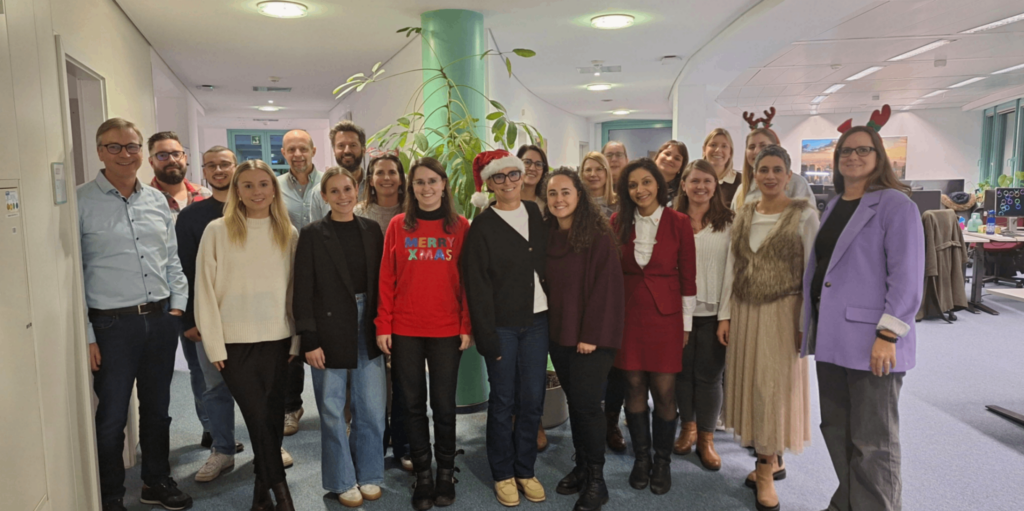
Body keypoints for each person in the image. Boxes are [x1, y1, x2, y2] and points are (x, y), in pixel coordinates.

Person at [803, 126, 924, 511]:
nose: (852, 157)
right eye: (845, 151)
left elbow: (906, 277)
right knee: (837, 431)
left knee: (874, 442)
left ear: (878, 156)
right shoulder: (836, 203)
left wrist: (888, 335)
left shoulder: (895, 204)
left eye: (862, 150)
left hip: (873, 342)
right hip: (832, 338)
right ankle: (850, 502)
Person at [79, 118, 192, 511]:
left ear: (141, 152)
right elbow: (72, 274)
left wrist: (178, 305)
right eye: (115, 147)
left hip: (160, 319)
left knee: (158, 410)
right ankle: (110, 496)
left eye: (131, 147)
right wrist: (88, 334)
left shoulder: (156, 200)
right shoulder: (79, 202)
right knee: (111, 417)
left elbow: (172, 259)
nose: (125, 154)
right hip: (111, 325)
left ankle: (155, 481)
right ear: (99, 151)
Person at [195, 159, 300, 511]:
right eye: (248, 185)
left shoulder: (288, 231)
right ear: (237, 191)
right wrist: (213, 343)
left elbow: (294, 293)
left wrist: (296, 338)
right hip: (233, 343)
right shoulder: (217, 231)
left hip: (278, 339)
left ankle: (261, 494)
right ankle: (280, 490)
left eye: (264, 184)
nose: (257, 192)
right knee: (256, 415)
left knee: (270, 417)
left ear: (274, 189)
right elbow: (205, 292)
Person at [721, 145, 817, 511]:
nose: (771, 176)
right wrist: (724, 316)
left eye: (778, 169)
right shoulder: (743, 213)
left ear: (789, 175)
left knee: (773, 390)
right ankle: (766, 457)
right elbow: (732, 268)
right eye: (764, 169)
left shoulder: (804, 215)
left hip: (783, 311)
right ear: (755, 174)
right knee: (750, 386)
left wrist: (804, 323)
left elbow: (811, 275)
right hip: (745, 311)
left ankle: (765, 469)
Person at [376, 157, 472, 511]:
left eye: (433, 181)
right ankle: (424, 474)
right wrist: (383, 324)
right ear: (410, 187)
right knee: (411, 405)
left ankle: (445, 471)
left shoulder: (460, 226)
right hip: (405, 329)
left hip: (447, 328)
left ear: (444, 185)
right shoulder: (399, 226)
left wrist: (466, 325)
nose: (426, 188)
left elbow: (468, 282)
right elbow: (387, 278)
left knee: (444, 406)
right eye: (419, 182)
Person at [294, 167, 387, 508]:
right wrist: (309, 339)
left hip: (368, 323)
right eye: (334, 191)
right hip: (328, 327)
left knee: (372, 409)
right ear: (324, 197)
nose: (343, 196)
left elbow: (383, 284)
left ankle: (371, 474)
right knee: (332, 410)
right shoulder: (313, 234)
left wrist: (385, 326)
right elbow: (302, 290)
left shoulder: (372, 229)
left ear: (357, 190)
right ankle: (341, 479)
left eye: (347, 189)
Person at [463, 150, 549, 507]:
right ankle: (503, 472)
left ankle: (525, 468)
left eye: (515, 174)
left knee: (532, 400)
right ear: (489, 183)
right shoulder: (482, 226)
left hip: (539, 321)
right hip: (503, 327)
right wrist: (486, 336)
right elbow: (476, 286)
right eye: (500, 177)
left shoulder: (534, 212)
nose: (510, 181)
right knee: (502, 401)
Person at [611, 158, 697, 496]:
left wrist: (686, 324)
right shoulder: (618, 221)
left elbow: (688, 277)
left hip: (667, 317)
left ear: (658, 185)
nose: (640, 190)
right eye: (633, 185)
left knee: (663, 390)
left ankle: (662, 461)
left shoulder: (679, 222)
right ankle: (642, 459)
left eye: (646, 182)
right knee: (632, 386)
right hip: (629, 316)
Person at [544, 168, 625, 511]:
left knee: (589, 407)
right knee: (576, 405)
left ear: (579, 195)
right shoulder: (547, 233)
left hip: (593, 337)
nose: (559, 199)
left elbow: (607, 288)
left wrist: (590, 335)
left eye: (565, 192)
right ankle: (580, 466)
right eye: (552, 193)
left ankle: (597, 480)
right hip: (560, 334)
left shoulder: (597, 234)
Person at [176, 146, 247, 483]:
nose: (219, 170)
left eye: (225, 164)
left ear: (236, 168)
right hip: (208, 319)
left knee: (259, 387)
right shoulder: (192, 216)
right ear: (203, 171)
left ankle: (268, 445)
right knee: (215, 387)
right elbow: (184, 270)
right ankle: (222, 450)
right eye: (212, 166)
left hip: (252, 318)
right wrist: (190, 320)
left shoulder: (255, 208)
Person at [146, 131, 215, 455]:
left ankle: (211, 428)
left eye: (176, 153)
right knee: (157, 376)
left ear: (186, 158)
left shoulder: (205, 197)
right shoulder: (142, 199)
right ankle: (156, 447)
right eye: (163, 155)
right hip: (156, 301)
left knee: (202, 366)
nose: (171, 159)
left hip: (196, 299)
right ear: (151, 161)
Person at [671, 160, 734, 470]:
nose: (700, 187)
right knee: (682, 375)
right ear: (683, 184)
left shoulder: (728, 222)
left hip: (713, 314)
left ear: (716, 185)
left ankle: (706, 438)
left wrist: (725, 317)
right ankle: (688, 428)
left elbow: (732, 273)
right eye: (694, 181)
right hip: (677, 314)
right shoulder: (671, 220)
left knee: (709, 377)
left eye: (707, 181)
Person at [354, 150, 410, 470]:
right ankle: (376, 438)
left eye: (392, 172)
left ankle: (402, 440)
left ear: (401, 178)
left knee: (402, 381)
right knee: (372, 382)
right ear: (370, 179)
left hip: (406, 307)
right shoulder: (360, 213)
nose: (386, 178)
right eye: (379, 173)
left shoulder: (413, 212)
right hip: (371, 305)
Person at [277, 128, 328, 445]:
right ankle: (291, 407)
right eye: (290, 150)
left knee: (323, 339)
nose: (297, 155)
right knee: (291, 343)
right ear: (283, 154)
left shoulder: (329, 184)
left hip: (325, 277)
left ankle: (334, 408)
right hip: (285, 275)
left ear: (313, 150)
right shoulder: (274, 188)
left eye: (302, 149)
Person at [732, 128, 815, 210]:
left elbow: (808, 220)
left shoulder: (797, 184)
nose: (756, 151)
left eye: (763, 146)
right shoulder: (741, 190)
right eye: (751, 147)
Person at [700, 129, 741, 206]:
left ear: (730, 153)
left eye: (724, 146)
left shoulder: (741, 182)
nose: (718, 150)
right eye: (713, 145)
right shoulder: (693, 178)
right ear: (704, 150)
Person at [332, 120, 368, 196]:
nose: (347, 151)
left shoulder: (377, 186)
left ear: (363, 150)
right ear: (334, 151)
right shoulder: (320, 190)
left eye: (353, 145)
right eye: (341, 146)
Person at [580, 151, 616, 218]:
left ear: (607, 172)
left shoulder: (620, 204)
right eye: (588, 170)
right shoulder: (575, 204)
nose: (593, 174)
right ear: (582, 174)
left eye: (599, 169)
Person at [653, 140, 689, 204]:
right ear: (657, 156)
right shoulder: (641, 182)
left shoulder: (684, 193)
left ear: (681, 166)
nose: (670, 159)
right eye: (667, 154)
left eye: (677, 158)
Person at [517, 144, 549, 214]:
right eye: (527, 162)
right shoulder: (498, 203)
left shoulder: (546, 208)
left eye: (538, 164)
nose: (532, 168)